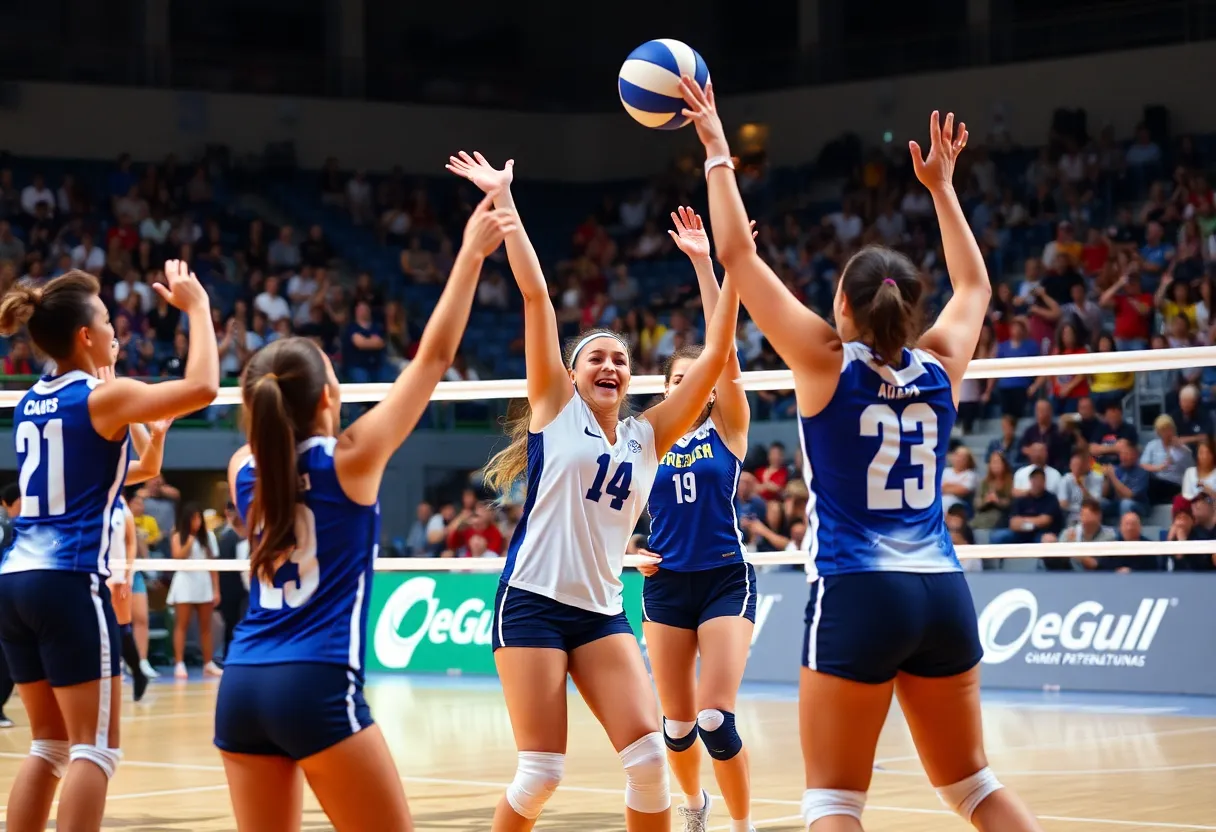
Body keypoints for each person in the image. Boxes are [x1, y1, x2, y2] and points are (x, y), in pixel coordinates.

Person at [680, 76, 1041, 832]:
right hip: (942, 589)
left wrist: (718, 145)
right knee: (974, 784)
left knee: (834, 801)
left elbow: (738, 256)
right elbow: (974, 282)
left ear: (841, 307)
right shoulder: (940, 362)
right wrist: (942, 190)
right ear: (909, 311)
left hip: (857, 589)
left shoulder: (823, 361)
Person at [448, 150, 739, 832]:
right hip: (531, 606)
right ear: (574, 376)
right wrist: (504, 203)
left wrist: (716, 263)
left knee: (647, 763)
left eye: (620, 359)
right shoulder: (555, 409)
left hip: (600, 611)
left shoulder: (649, 433)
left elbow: (720, 357)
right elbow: (536, 298)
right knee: (542, 773)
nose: (609, 365)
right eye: (595, 358)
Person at [214, 192, 516, 832]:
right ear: (331, 396)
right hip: (314, 684)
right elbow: (432, 361)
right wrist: (468, 254)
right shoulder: (349, 459)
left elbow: (270, 438)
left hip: (240, 683)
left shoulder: (244, 468)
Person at [0, 262, 218, 832]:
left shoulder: (32, 402)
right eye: (105, 319)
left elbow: (140, 467)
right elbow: (204, 388)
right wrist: (197, 310)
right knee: (94, 751)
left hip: (14, 580)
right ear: (85, 336)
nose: (114, 324)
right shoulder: (102, 397)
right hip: (68, 581)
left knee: (48, 745)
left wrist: (148, 424)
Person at [636, 207, 756, 832]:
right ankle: (693, 807)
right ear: (667, 391)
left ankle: (742, 825)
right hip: (665, 584)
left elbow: (724, 351)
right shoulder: (646, 438)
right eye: (678, 380)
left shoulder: (728, 429)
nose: (693, 384)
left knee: (715, 718)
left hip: (723, 579)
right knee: (676, 726)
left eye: (699, 378)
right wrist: (627, 555)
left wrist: (707, 265)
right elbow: (597, 510)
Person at [167, 502, 222, 679]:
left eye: (199, 518)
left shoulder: (209, 537)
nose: (196, 522)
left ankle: (208, 663)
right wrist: (189, 541)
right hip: (184, 582)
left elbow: (213, 565)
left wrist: (216, 590)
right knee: (181, 625)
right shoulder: (177, 535)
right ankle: (179, 663)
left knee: (206, 627)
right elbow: (177, 557)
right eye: (193, 518)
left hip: (203, 582)